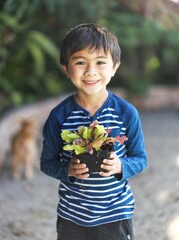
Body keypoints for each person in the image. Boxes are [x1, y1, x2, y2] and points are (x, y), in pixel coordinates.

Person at [40, 23, 147, 240]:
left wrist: (120, 165)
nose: (91, 71)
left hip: (116, 213)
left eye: (100, 62)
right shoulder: (59, 116)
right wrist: (67, 169)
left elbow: (140, 159)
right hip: (72, 215)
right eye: (80, 62)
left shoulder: (126, 113)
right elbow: (46, 163)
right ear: (66, 68)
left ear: (114, 67)